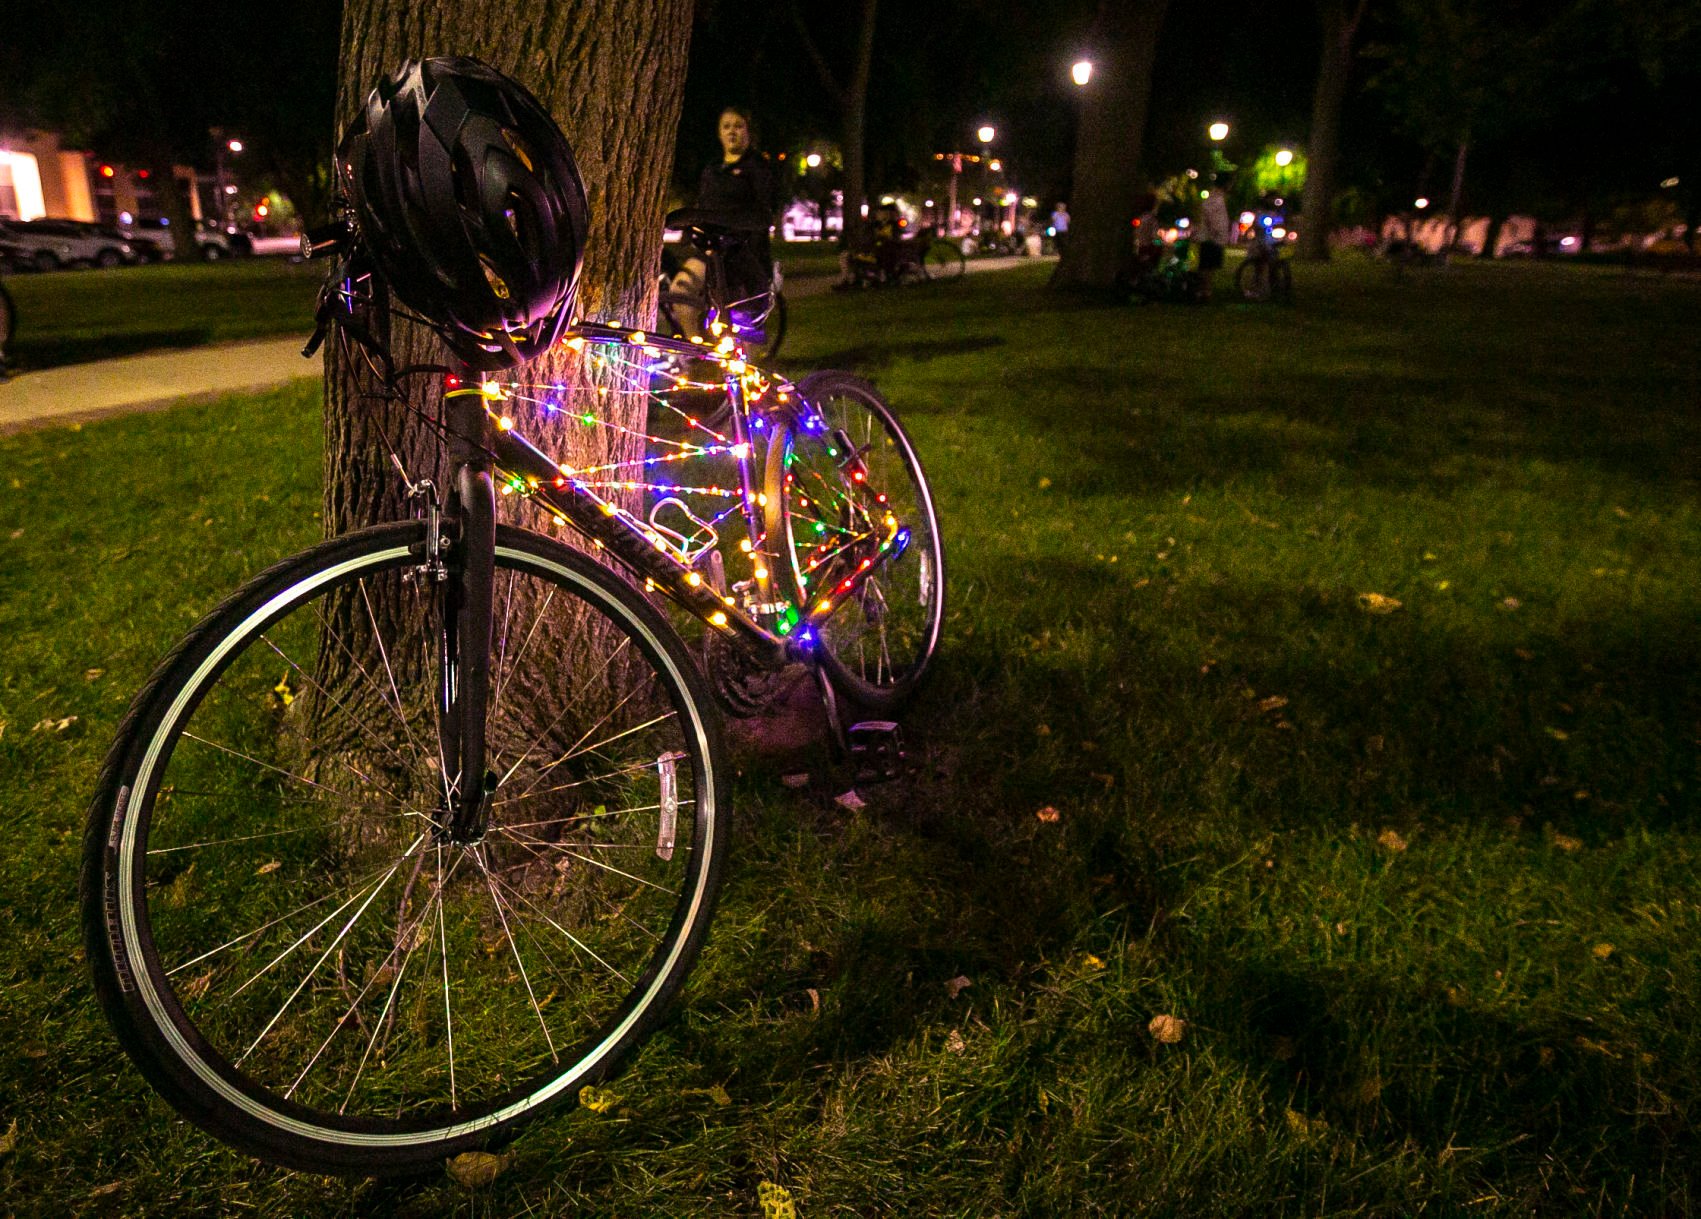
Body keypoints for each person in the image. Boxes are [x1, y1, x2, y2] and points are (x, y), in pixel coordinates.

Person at [669, 107, 776, 335]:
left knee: (741, 321)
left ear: (748, 131)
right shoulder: (711, 169)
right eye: (726, 127)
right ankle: (694, 354)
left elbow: (763, 214)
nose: (732, 132)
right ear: (719, 133)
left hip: (742, 252)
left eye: (738, 126)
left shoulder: (757, 167)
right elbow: (703, 205)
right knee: (681, 293)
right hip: (708, 248)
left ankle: (741, 367)